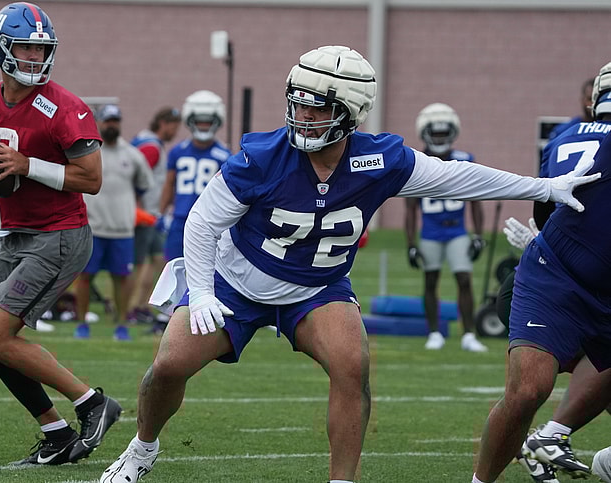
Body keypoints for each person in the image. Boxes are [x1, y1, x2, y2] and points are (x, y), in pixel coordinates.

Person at [98, 45, 599, 483]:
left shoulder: (381, 159)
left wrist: (543, 188)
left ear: (350, 111)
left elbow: (456, 178)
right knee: (168, 365)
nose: (302, 118)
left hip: (316, 289)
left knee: (352, 365)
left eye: (316, 110)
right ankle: (142, 447)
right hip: (236, 282)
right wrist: (203, 292)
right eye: (298, 106)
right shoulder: (259, 156)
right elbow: (203, 223)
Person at [0, 2, 121, 466]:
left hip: (59, 234)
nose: (34, 57)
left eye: (41, 48)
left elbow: (90, 179)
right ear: (1, 49)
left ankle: (93, 402)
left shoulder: (65, 108)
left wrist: (26, 166)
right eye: (25, 47)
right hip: (16, 232)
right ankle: (55, 432)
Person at [489, 62, 611, 483]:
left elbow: (545, 205)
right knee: (536, 388)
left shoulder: (564, 136)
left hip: (551, 268)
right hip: (571, 283)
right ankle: (551, 437)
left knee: (531, 392)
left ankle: (554, 441)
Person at [405, 103, 487, 352]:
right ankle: (434, 333)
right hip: (430, 231)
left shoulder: (465, 160)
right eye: (435, 133)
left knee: (464, 279)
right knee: (431, 280)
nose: (439, 138)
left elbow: (475, 201)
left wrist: (478, 235)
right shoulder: (416, 162)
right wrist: (410, 244)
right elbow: (410, 208)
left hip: (457, 231)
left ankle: (469, 334)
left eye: (443, 133)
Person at [72, 104, 153, 341]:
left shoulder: (132, 155)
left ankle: (121, 325)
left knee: (122, 277)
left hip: (122, 229)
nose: (112, 125)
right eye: (108, 121)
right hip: (92, 227)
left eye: (116, 121)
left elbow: (143, 185)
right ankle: (82, 323)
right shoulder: (89, 152)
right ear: (99, 123)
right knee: (85, 276)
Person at [159, 90, 231, 261]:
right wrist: (161, 213)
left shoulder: (224, 155)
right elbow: (169, 184)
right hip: (180, 218)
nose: (203, 126)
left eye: (207, 122)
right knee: (173, 267)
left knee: (206, 269)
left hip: (208, 220)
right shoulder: (178, 151)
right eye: (199, 122)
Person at [128, 106, 181, 331]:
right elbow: (133, 178)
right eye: (174, 126)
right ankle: (134, 307)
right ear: (163, 123)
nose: (175, 132)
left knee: (156, 260)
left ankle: (140, 305)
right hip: (146, 215)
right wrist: (138, 208)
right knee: (146, 261)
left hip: (148, 215)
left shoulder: (144, 141)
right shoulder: (152, 147)